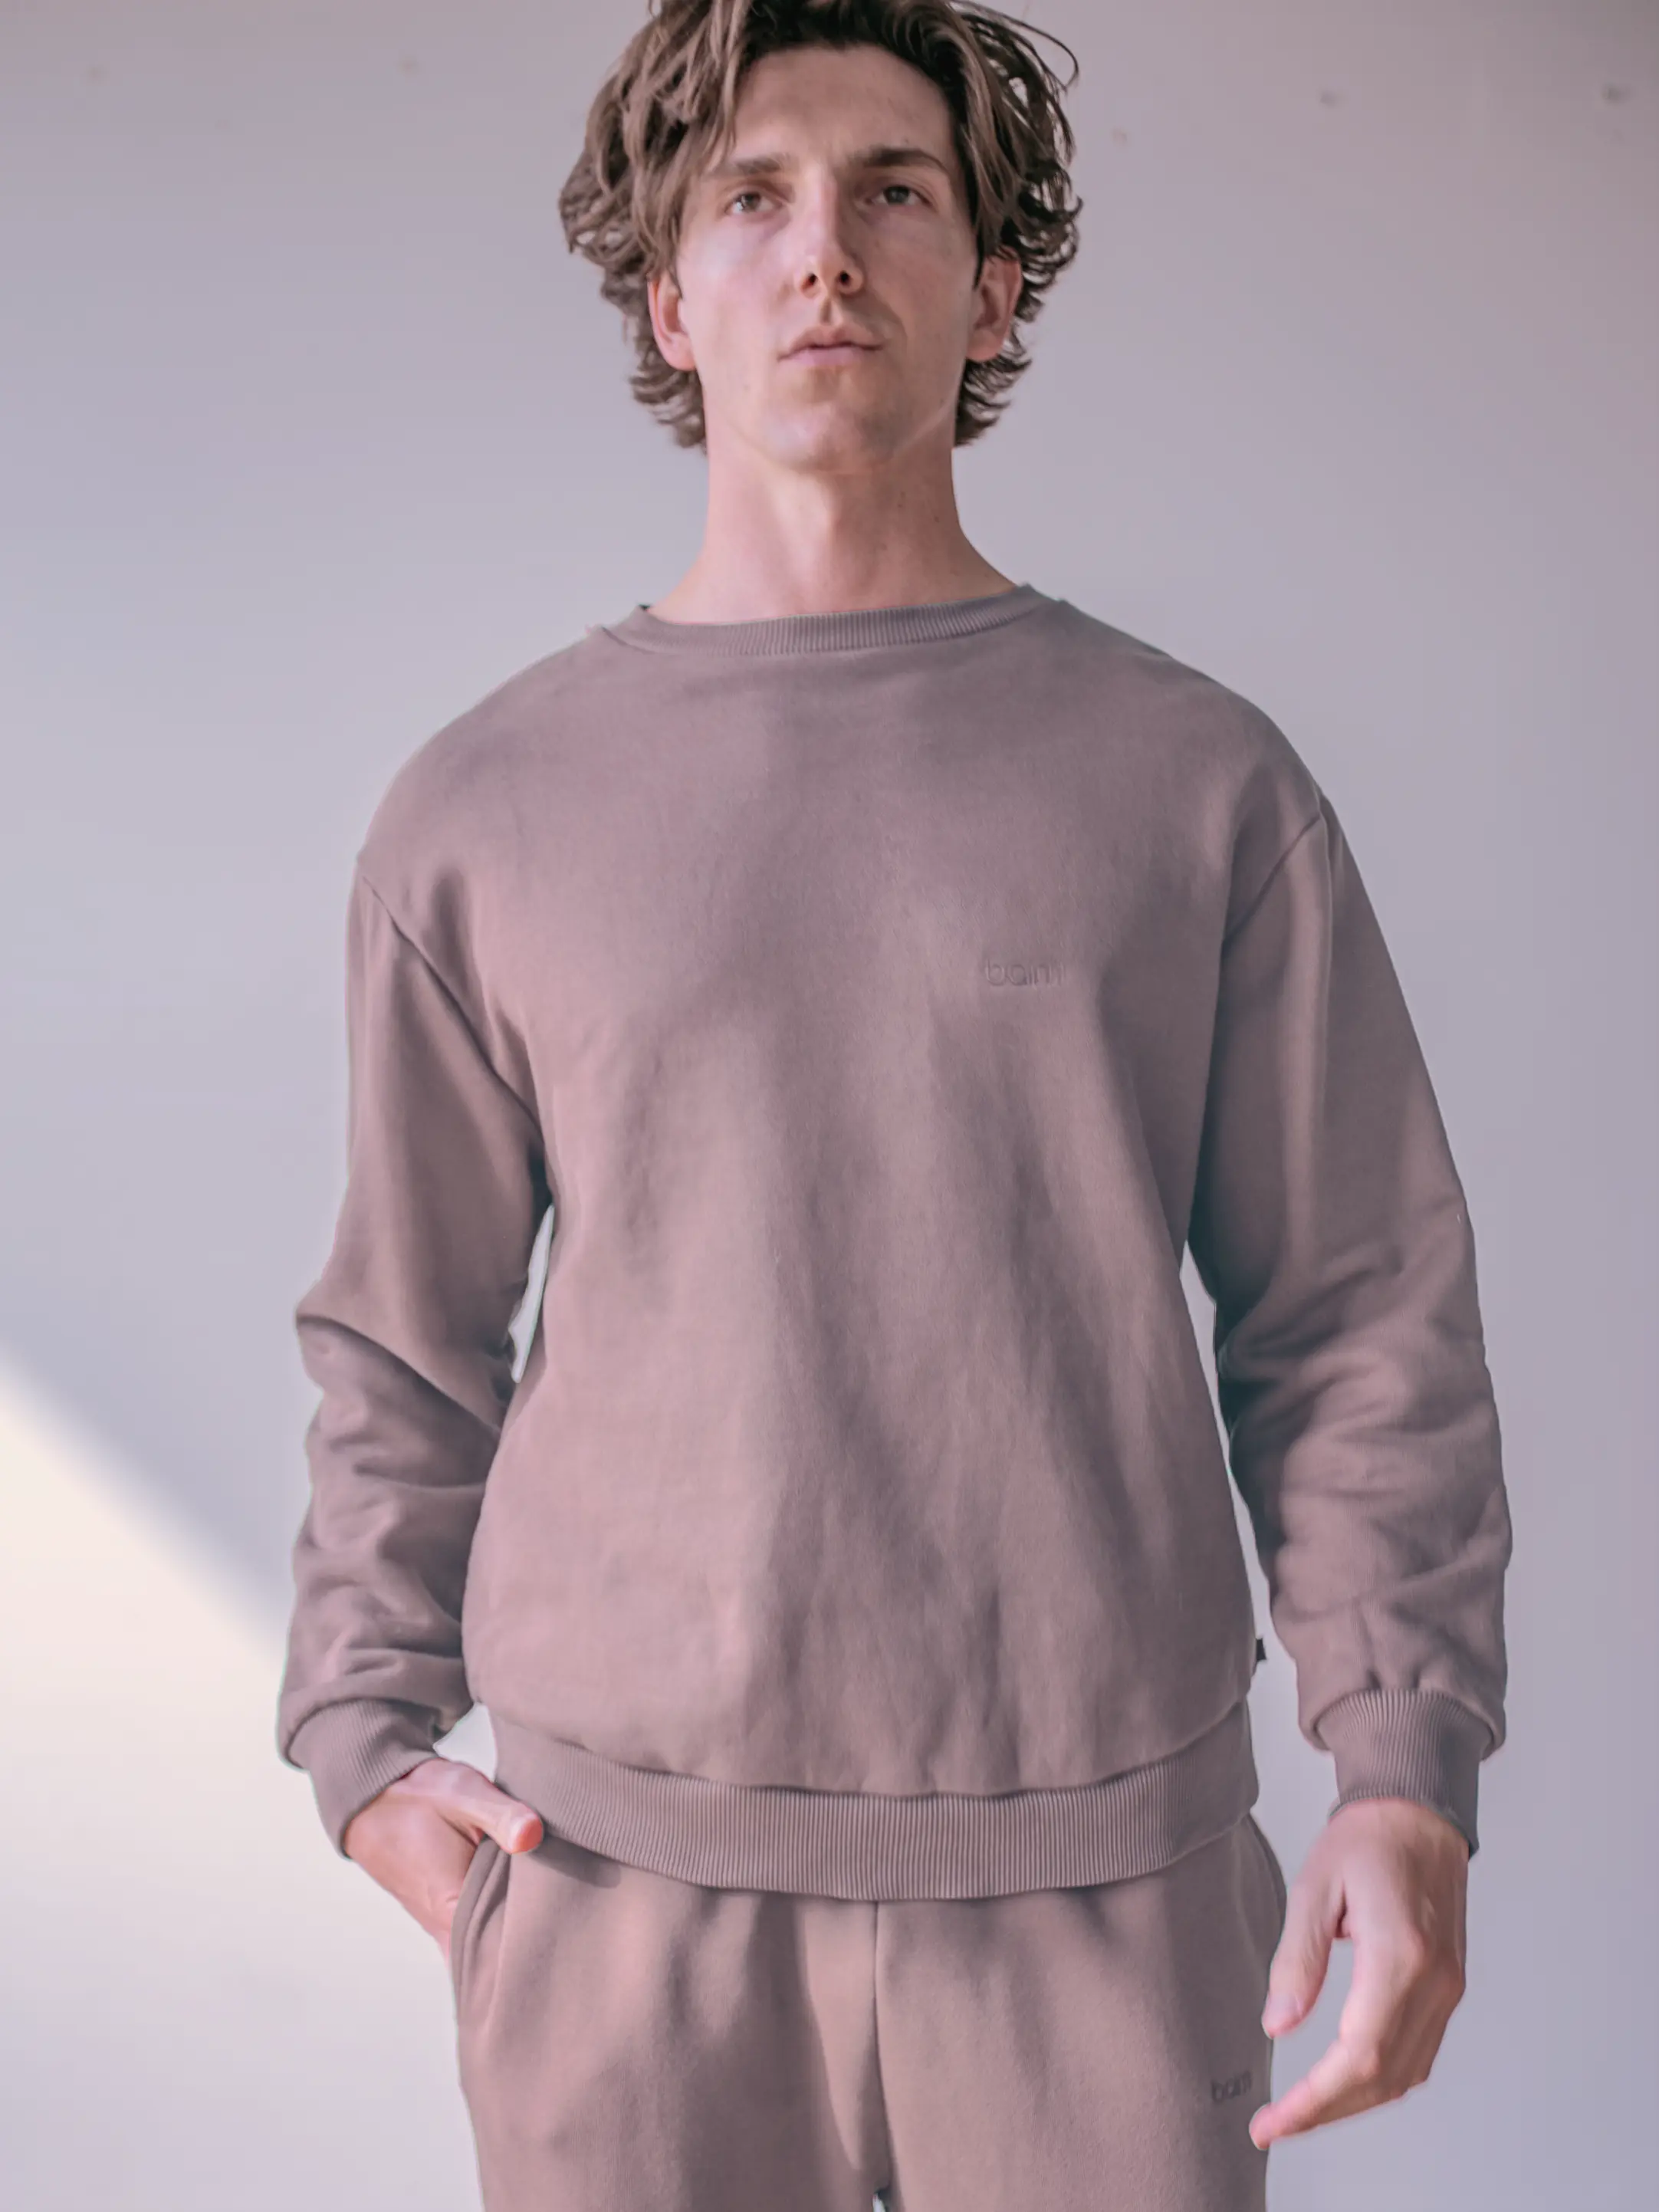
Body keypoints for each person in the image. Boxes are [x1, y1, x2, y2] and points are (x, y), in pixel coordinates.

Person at [274, 4, 1512, 2206]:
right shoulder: (481, 812)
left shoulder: (1194, 781)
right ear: (671, 293)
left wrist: (1398, 1771)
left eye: (895, 192)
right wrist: (361, 1743)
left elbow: (1355, 1304)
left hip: (1106, 1888)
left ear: (992, 281)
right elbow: (402, 1333)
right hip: (615, 1887)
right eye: (750, 196)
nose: (821, 249)